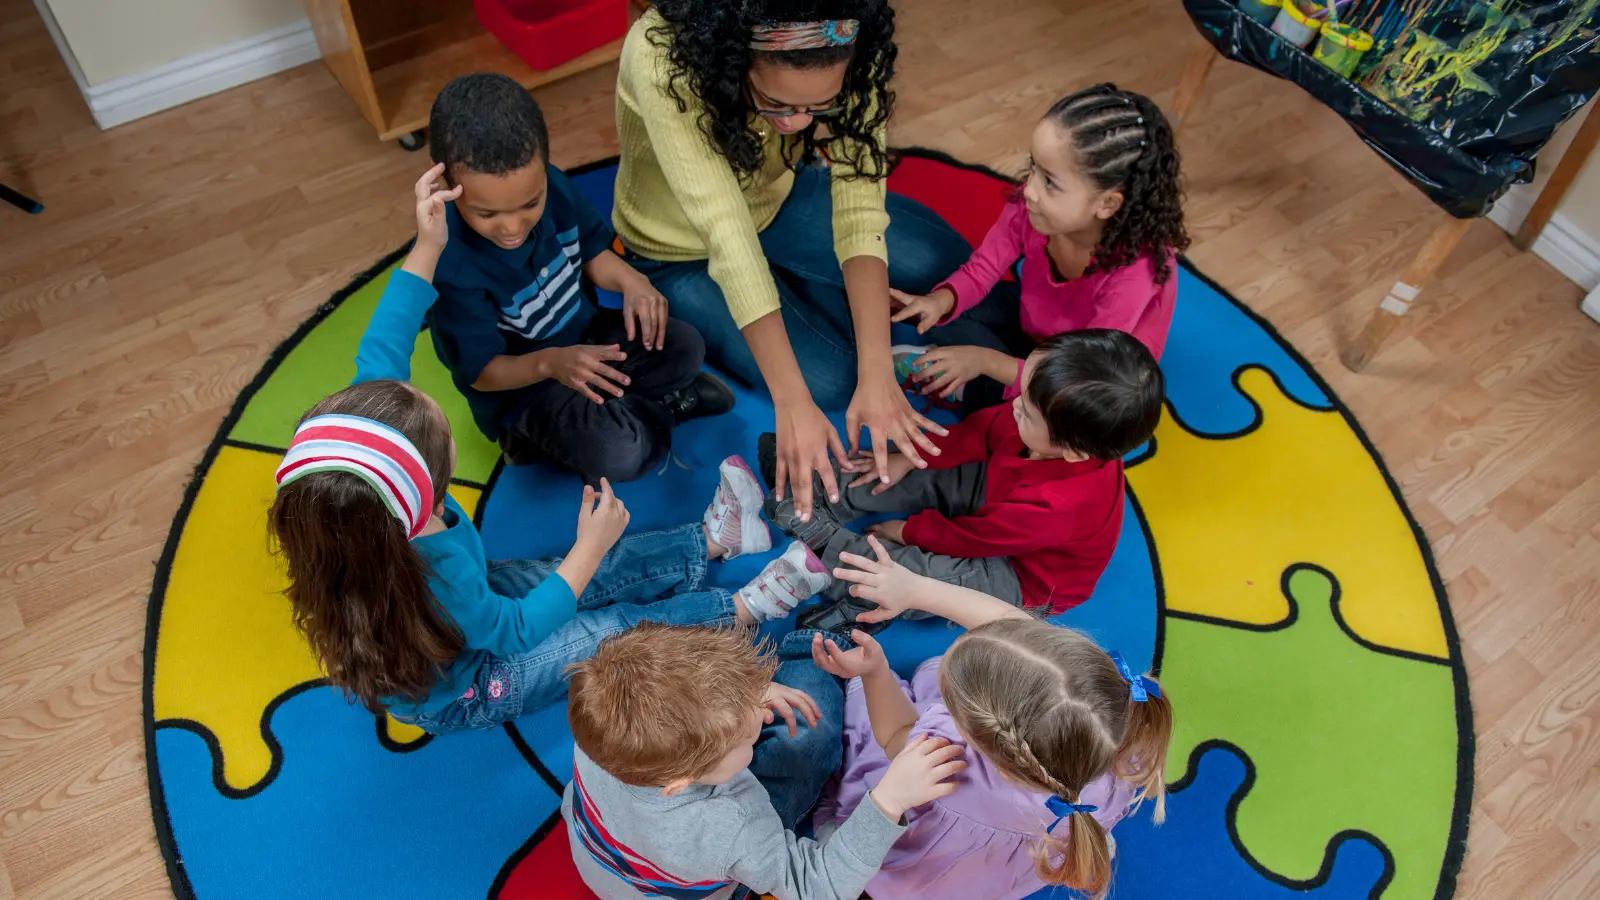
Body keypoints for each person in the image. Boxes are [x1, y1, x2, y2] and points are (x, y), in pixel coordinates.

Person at [266, 165, 830, 734]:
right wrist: (587, 548)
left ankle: (716, 540)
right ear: (432, 491)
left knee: (588, 571)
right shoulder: (432, 572)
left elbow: (388, 328)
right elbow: (512, 632)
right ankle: (742, 610)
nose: (432, 403)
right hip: (477, 683)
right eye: (441, 427)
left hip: (466, 612)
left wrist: (429, 243)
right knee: (613, 631)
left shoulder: (355, 484)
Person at [614, 0, 975, 522]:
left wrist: (880, 368)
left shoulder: (849, 34)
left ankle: (810, 299)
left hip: (778, 200)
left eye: (819, 108)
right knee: (829, 383)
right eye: (775, 102)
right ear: (732, 56)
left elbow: (858, 201)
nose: (797, 124)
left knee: (942, 260)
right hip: (678, 249)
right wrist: (792, 403)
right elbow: (726, 235)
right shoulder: (661, 54)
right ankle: (808, 302)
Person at [810, 542, 1174, 900]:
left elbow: (894, 736)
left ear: (982, 739)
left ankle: (838, 842)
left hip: (924, 867)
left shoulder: (950, 757)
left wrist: (875, 673)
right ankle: (1084, 840)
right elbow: (1015, 628)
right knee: (947, 672)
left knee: (870, 724)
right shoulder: (1109, 719)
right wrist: (915, 589)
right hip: (1034, 840)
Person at [425, 73, 734, 483]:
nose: (513, 227)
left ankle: (617, 414)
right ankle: (550, 435)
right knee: (621, 455)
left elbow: (590, 251)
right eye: (488, 214)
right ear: (444, 185)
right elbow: (483, 373)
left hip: (585, 335)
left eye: (529, 204)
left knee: (684, 345)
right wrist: (552, 363)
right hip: (527, 385)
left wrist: (629, 281)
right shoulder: (450, 264)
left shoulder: (552, 184)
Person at [764, 329, 1163, 630]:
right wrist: (910, 457)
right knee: (928, 473)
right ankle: (823, 490)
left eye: (1027, 410)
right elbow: (978, 434)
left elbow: (976, 539)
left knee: (931, 575)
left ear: (1073, 450)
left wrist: (908, 531)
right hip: (1003, 500)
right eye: (1023, 390)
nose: (1015, 404)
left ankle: (835, 565)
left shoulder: (1060, 507)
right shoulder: (1041, 420)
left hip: (1021, 578)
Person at [562, 622, 968, 900]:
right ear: (682, 782)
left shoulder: (604, 730)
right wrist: (890, 800)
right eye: (745, 734)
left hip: (614, 858)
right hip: (693, 860)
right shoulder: (731, 824)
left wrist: (746, 698)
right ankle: (818, 640)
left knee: (792, 710)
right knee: (810, 736)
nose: (759, 716)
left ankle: (805, 654)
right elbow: (819, 886)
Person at [892, 83, 1189, 412]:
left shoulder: (1132, 276)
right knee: (945, 310)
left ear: (1106, 203)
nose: (1029, 189)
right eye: (1034, 166)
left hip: (1090, 373)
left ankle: (977, 389)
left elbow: (1077, 377)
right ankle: (979, 376)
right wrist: (939, 301)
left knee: (1056, 417)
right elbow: (981, 271)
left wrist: (986, 362)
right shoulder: (1033, 207)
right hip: (1037, 332)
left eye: (1050, 181)